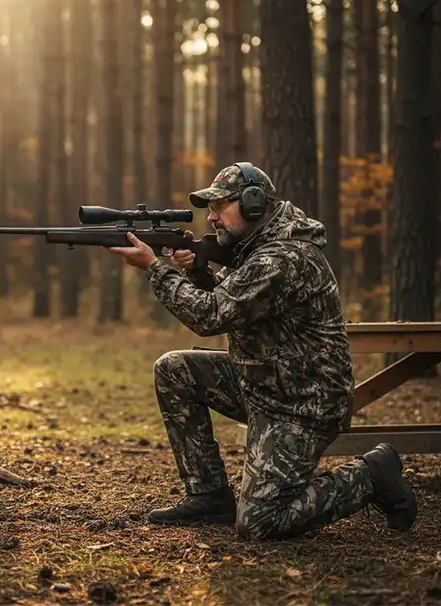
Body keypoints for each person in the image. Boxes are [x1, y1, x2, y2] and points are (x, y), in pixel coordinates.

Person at [106, 162, 416, 540]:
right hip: (263, 384)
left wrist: (155, 268)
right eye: (211, 208)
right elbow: (238, 300)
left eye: (221, 206)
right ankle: (209, 496)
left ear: (254, 204)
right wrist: (198, 273)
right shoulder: (257, 249)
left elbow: (212, 316)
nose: (213, 218)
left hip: (302, 405)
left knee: (260, 523)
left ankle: (372, 474)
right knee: (175, 369)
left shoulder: (282, 257)